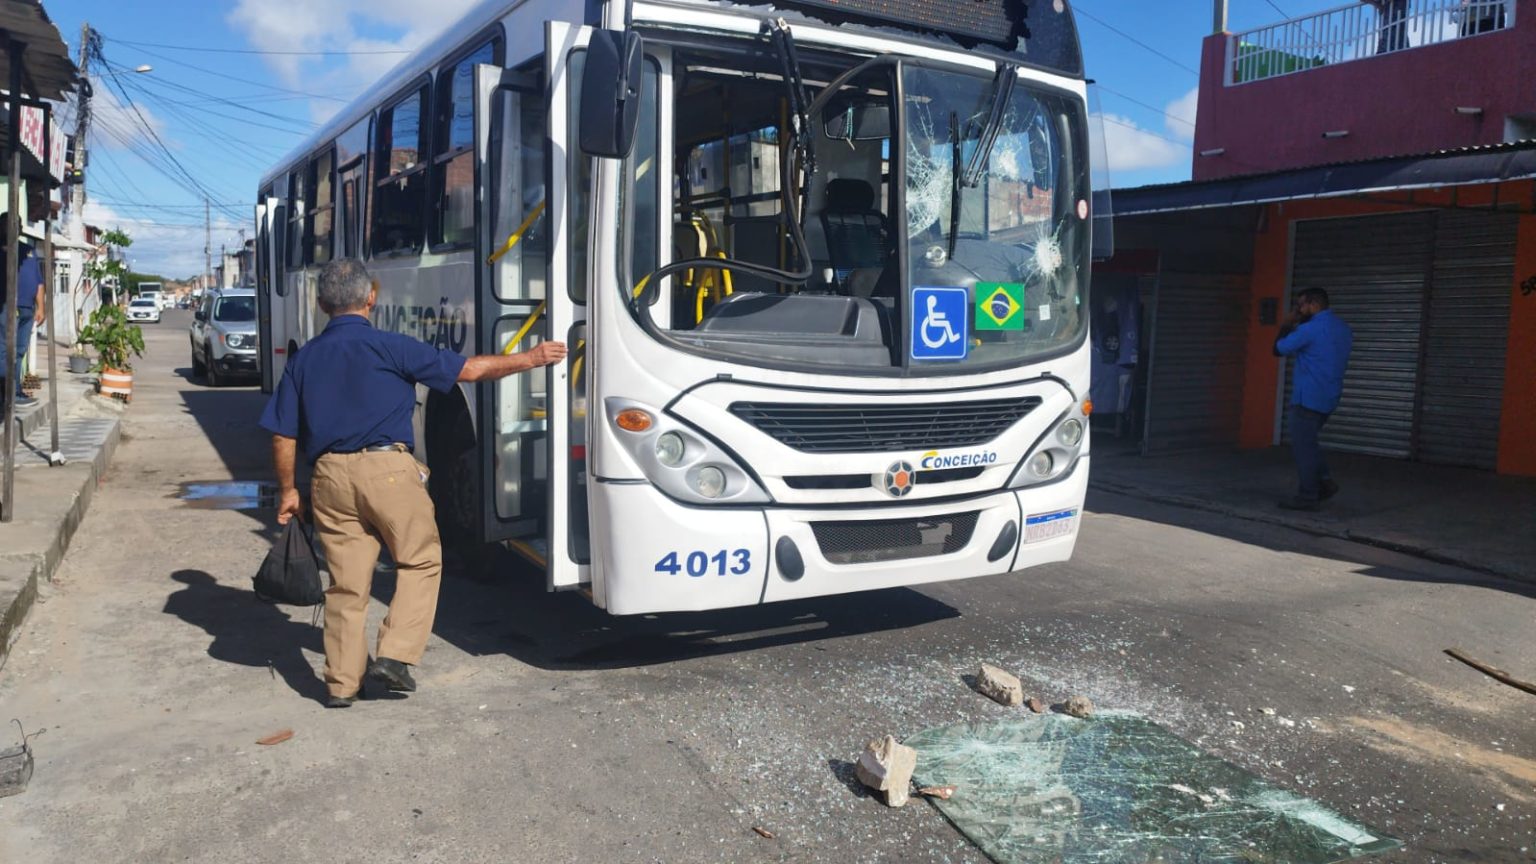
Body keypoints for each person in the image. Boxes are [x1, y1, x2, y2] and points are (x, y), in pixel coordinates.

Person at [260, 259, 566, 708]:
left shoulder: (304, 359)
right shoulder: (390, 347)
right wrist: (532, 358)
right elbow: (470, 370)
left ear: (322, 304)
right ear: (371, 298)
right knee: (420, 560)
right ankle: (396, 656)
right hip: (387, 472)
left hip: (328, 478)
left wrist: (289, 490)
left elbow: (283, 434)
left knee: (346, 584)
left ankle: (342, 684)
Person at [1273, 287, 1352, 511]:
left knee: (1303, 448)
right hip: (1329, 396)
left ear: (1314, 305)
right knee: (1309, 443)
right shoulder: (1343, 328)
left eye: (1301, 305)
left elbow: (1278, 349)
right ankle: (1325, 481)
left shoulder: (1310, 329)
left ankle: (1308, 495)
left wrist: (1287, 324)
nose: (1299, 309)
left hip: (1307, 397)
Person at [0, 214, 45, 407]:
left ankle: (16, 392)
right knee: (4, 351)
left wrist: (41, 307)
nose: (14, 228)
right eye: (8, 224)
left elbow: (39, 282)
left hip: (27, 308)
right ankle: (6, 394)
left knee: (19, 351)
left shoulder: (29, 251)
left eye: (17, 224)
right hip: (7, 307)